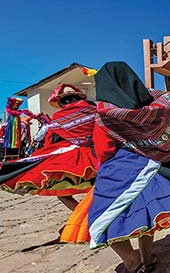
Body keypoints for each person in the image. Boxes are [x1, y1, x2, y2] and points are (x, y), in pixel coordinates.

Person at [60, 62, 170, 273]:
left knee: (102, 220)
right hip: (158, 167)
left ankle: (132, 262)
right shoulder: (157, 106)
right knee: (146, 217)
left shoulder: (107, 115)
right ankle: (147, 259)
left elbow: (105, 150)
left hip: (122, 172)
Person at [0, 84, 98, 212]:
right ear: (79, 96)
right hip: (99, 153)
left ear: (60, 101)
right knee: (99, 190)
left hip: (74, 158)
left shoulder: (58, 116)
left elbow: (50, 140)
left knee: (63, 196)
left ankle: (85, 218)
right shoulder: (93, 109)